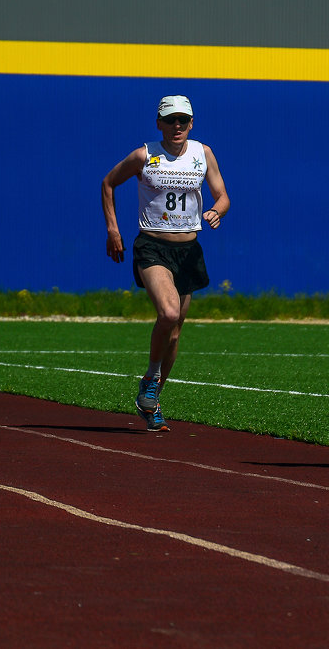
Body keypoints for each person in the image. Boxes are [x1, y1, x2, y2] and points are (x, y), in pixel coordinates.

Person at [102, 95, 231, 431]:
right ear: (159, 123)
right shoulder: (144, 155)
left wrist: (217, 211)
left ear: (191, 123)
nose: (178, 126)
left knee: (174, 333)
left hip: (189, 251)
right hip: (152, 246)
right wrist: (113, 230)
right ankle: (149, 379)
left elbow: (223, 195)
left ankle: (152, 399)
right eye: (171, 120)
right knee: (168, 313)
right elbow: (108, 183)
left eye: (183, 120)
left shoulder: (203, 154)